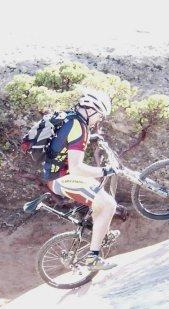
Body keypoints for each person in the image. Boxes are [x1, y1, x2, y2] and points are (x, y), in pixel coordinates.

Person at [43, 90, 119, 271]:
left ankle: (100, 231)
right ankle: (92, 258)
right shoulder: (80, 128)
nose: (98, 120)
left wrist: (93, 138)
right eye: (99, 116)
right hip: (62, 179)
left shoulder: (69, 118)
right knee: (109, 205)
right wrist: (105, 170)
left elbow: (62, 141)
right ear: (91, 111)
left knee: (100, 197)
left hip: (58, 174)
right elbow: (77, 168)